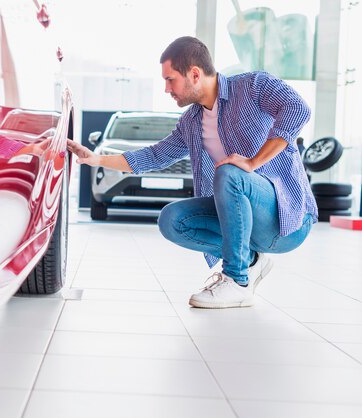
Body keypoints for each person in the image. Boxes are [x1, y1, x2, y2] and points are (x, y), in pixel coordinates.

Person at [67, 36, 318, 309]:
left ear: (195, 74)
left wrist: (253, 162)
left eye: (170, 79)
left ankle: (238, 281)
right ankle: (250, 261)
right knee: (172, 219)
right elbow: (154, 155)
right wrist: (96, 159)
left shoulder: (253, 86)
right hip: (248, 223)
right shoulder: (191, 121)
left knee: (229, 172)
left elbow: (297, 109)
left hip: (286, 219)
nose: (166, 88)